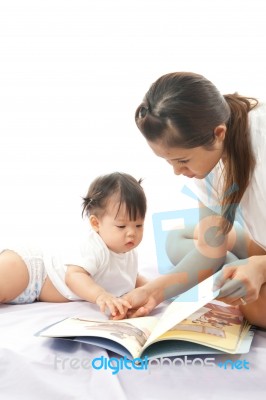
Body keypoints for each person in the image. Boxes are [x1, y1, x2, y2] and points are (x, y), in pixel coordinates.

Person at [117, 72, 266, 328]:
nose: (177, 172)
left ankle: (237, 269)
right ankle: (235, 269)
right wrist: (152, 292)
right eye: (169, 161)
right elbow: (210, 247)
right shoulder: (207, 151)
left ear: (218, 133)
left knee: (258, 310)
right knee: (178, 239)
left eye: (182, 161)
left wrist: (260, 267)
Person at [0, 172, 148, 317]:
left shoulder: (129, 253)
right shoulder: (95, 246)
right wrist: (100, 295)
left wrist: (158, 290)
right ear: (96, 223)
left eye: (139, 225)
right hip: (33, 272)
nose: (132, 233)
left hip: (35, 294)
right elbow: (73, 276)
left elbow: (133, 278)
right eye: (121, 226)